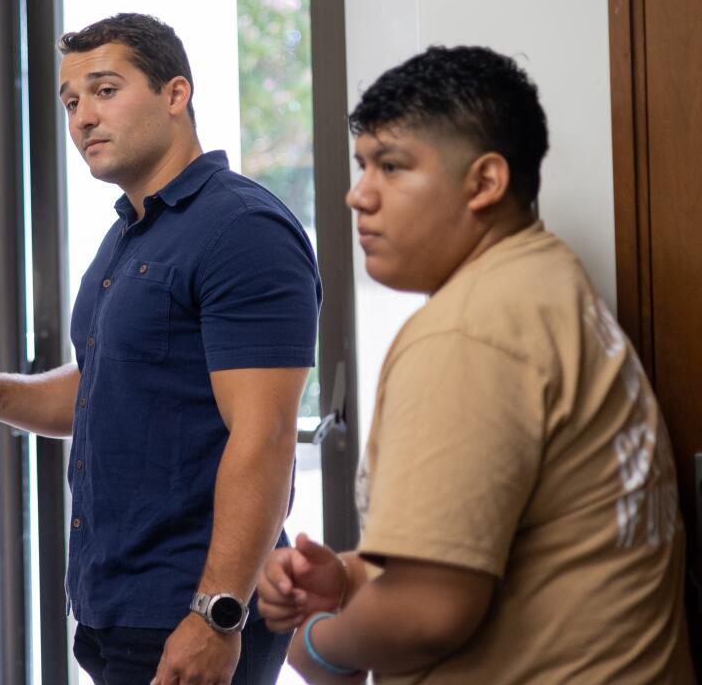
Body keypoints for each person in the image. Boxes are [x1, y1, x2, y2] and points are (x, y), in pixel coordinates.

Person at [0, 13, 321, 684]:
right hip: (114, 609)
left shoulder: (243, 230)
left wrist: (216, 616)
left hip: (191, 609)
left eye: (104, 90)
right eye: (70, 102)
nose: (83, 117)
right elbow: (101, 386)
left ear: (175, 94)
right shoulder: (130, 235)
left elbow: (265, 438)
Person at [256, 46, 695, 684]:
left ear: (485, 182)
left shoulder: (468, 332)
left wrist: (317, 648)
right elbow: (489, 547)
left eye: (392, 166)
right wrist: (349, 578)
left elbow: (429, 610)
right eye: (361, 165)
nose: (358, 195)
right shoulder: (544, 278)